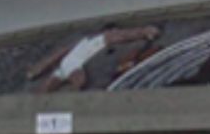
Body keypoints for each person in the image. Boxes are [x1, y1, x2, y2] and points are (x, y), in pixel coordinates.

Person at [27, 24, 160, 92]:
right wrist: (144, 32)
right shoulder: (101, 38)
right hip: (69, 66)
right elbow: (124, 35)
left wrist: (38, 69)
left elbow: (56, 56)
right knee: (69, 82)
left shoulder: (86, 41)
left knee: (68, 81)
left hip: (68, 66)